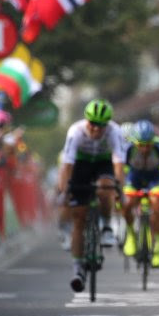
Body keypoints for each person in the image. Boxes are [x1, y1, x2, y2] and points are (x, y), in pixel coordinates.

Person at [57, 99, 126, 292]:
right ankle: (78, 268)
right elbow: (67, 165)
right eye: (92, 124)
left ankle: (105, 225)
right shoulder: (76, 131)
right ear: (86, 121)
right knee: (79, 217)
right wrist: (65, 191)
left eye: (101, 125)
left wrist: (119, 188)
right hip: (81, 165)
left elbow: (119, 163)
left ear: (107, 125)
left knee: (106, 187)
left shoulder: (114, 131)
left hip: (103, 163)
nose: (96, 129)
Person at [121, 120, 159, 268]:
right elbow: (122, 176)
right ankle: (131, 235)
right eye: (141, 145)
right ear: (134, 142)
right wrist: (119, 192)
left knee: (157, 205)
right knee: (127, 203)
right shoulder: (128, 150)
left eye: (148, 145)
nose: (144, 149)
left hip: (155, 179)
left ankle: (158, 250)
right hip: (134, 178)